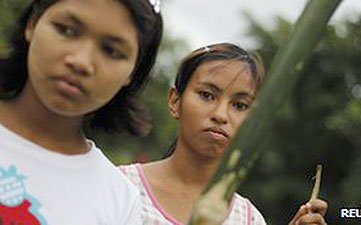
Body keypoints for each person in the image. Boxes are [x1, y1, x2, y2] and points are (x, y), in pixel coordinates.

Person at [120, 43, 328, 225]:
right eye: (207, 95)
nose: (221, 115)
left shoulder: (249, 219)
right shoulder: (119, 186)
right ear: (175, 101)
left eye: (239, 105)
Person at [0, 0, 162, 224]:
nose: (81, 62)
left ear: (132, 73)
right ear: (32, 24)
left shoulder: (119, 200)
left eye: (111, 51)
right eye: (66, 30)